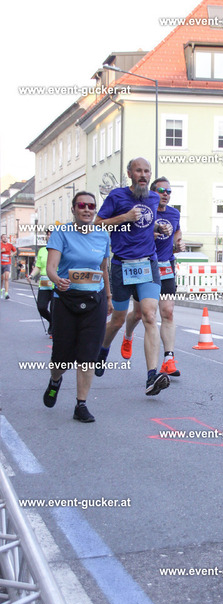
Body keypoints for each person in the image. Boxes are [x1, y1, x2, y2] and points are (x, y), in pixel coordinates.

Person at [93, 157, 171, 396]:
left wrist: (160, 228)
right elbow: (97, 224)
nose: (143, 175)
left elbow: (147, 224)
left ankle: (151, 376)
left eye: (147, 171)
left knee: (149, 315)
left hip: (148, 263)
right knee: (117, 320)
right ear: (130, 173)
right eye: (139, 170)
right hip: (121, 265)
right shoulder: (117, 196)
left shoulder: (154, 198)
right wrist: (124, 218)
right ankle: (103, 349)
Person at [43, 191, 112, 423]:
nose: (87, 209)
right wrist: (56, 280)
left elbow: (103, 269)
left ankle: (81, 405)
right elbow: (51, 266)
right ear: (73, 209)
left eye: (91, 206)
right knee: (61, 357)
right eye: (82, 205)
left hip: (94, 300)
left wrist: (108, 297)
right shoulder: (61, 233)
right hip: (65, 299)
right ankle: (55, 380)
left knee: (88, 355)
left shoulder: (102, 236)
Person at [120, 177, 185, 376]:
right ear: (152, 192)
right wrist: (149, 236)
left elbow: (177, 232)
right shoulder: (146, 211)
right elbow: (130, 236)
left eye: (169, 191)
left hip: (166, 267)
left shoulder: (174, 213)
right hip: (145, 266)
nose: (165, 194)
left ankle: (169, 360)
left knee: (168, 312)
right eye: (161, 190)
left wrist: (179, 243)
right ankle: (128, 335)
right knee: (139, 314)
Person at [27, 229, 55, 335]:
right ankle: (52, 322)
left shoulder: (61, 250)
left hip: (56, 283)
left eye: (52, 234)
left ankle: (53, 328)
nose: (49, 236)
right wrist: (31, 275)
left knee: (54, 308)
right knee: (41, 307)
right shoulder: (42, 250)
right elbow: (38, 266)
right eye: (48, 234)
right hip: (44, 283)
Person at [1, 233, 17, 299]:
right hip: (1, 263)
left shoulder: (10, 245)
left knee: (6, 278)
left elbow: (15, 251)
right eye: (3, 237)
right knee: (1, 278)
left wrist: (12, 254)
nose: (5, 238)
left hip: (7, 263)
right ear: (1, 238)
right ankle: (1, 290)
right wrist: (1, 251)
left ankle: (6, 293)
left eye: (6, 237)